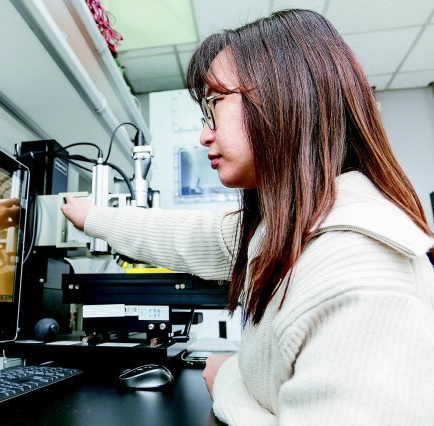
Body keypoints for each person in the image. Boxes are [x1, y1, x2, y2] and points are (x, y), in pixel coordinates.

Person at [61, 9, 434, 425]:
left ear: (285, 95)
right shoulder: (288, 230)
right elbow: (183, 234)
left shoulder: (362, 275)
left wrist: (230, 380)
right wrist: (91, 216)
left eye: (215, 104)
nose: (205, 133)